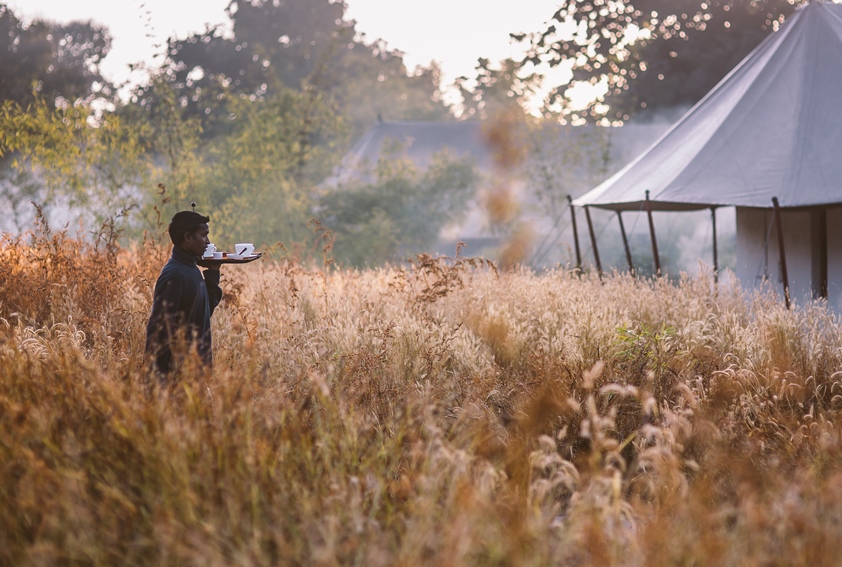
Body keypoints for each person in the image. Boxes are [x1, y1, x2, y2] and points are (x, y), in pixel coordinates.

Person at [145, 210, 222, 380]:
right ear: (188, 237)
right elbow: (158, 331)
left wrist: (213, 273)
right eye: (204, 235)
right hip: (178, 378)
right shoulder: (174, 275)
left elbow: (204, 312)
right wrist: (157, 382)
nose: (208, 241)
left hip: (196, 374)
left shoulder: (191, 269)